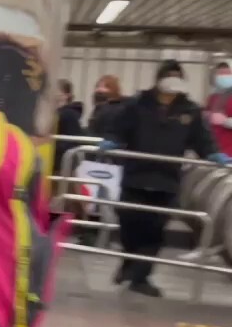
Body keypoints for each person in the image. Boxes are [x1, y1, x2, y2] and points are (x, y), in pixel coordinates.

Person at [101, 59, 228, 297]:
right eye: (168, 75)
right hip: (136, 176)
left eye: (177, 75)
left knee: (155, 230)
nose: (172, 80)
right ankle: (129, 264)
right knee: (129, 223)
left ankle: (140, 277)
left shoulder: (190, 111)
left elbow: (202, 139)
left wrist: (213, 153)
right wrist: (112, 141)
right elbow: (118, 128)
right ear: (159, 78)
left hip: (166, 180)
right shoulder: (137, 104)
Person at [54, 78, 84, 171]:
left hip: (62, 162)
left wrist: (54, 147)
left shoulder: (69, 114)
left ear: (66, 95)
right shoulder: (54, 113)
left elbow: (73, 138)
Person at [207, 61, 232, 157]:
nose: (224, 77)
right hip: (214, 149)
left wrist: (225, 121)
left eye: (227, 74)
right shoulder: (213, 98)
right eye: (221, 74)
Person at [87, 74, 124, 138]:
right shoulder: (98, 109)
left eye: (105, 87)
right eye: (98, 86)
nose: (99, 89)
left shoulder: (119, 109)